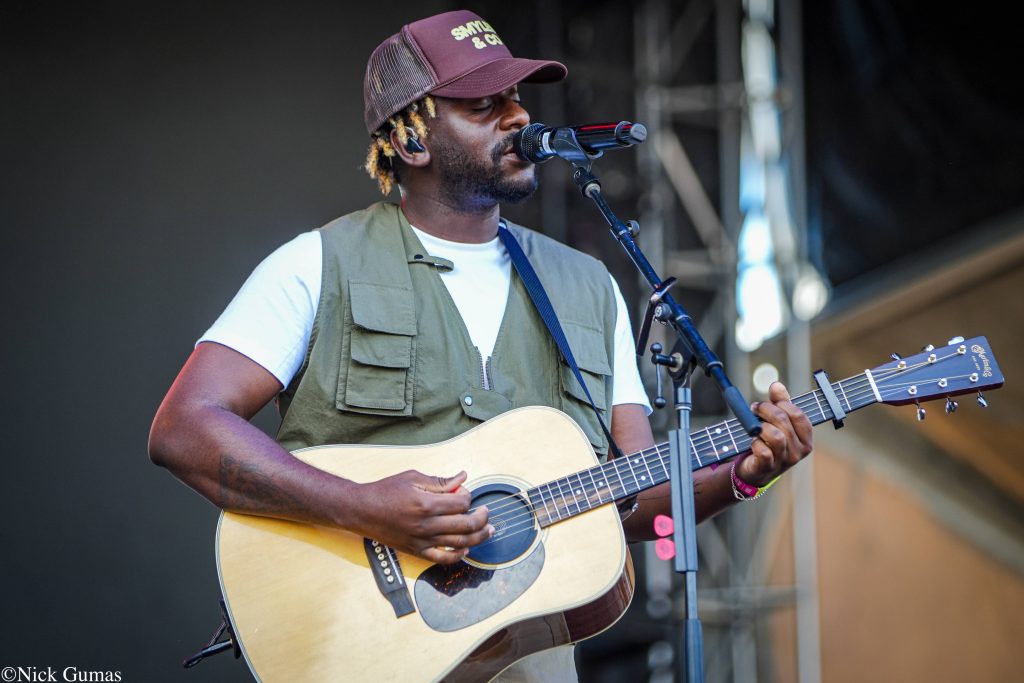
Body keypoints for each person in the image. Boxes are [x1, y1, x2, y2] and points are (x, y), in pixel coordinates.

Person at [148, 9, 813, 682]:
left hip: (532, 657)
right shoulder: (316, 265)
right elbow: (183, 429)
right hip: (364, 648)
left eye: (516, 97)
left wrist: (744, 475)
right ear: (411, 141)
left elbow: (637, 495)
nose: (518, 116)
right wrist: (362, 506)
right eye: (483, 104)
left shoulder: (589, 289)